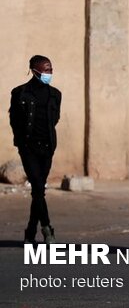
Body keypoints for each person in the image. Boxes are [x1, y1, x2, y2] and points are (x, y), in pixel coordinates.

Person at [9, 55, 61, 244]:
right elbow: (14, 121)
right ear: (34, 70)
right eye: (46, 69)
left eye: (51, 69)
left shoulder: (56, 94)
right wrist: (22, 143)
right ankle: (47, 229)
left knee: (38, 191)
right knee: (38, 187)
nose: (49, 73)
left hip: (47, 147)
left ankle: (31, 230)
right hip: (28, 148)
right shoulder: (20, 93)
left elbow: (55, 119)